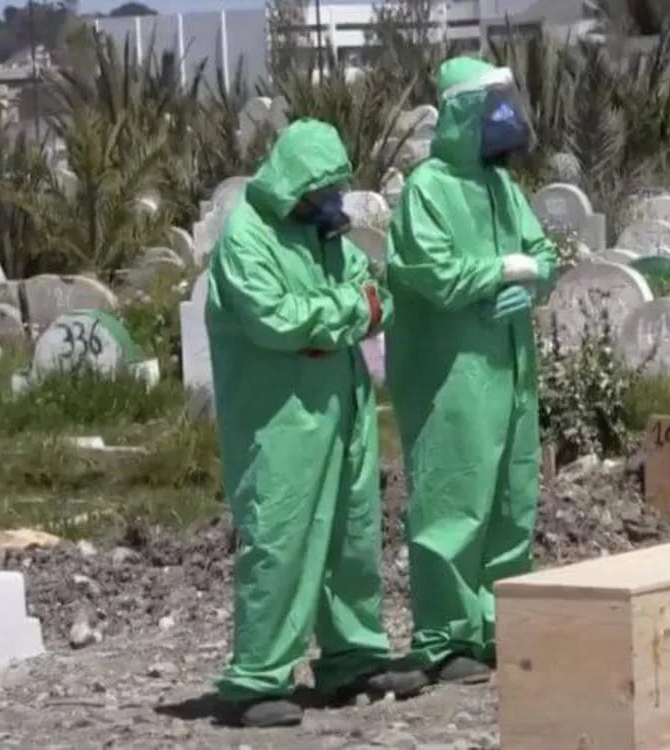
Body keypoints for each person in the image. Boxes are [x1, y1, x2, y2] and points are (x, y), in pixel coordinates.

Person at [205, 118, 428, 728]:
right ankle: (256, 678)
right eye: (321, 189)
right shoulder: (247, 238)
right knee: (280, 538)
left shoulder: (325, 237)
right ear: (291, 183)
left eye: (336, 187)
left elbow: (374, 297)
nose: (331, 200)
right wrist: (347, 313)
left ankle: (353, 658)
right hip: (279, 420)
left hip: (343, 410)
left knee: (352, 537)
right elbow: (276, 320)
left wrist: (341, 315)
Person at [385, 57, 559, 685]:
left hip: (511, 369)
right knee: (453, 499)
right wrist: (505, 272)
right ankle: (445, 635)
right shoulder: (426, 190)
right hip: (450, 374)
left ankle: (498, 624)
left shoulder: (501, 186)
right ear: (462, 115)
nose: (504, 123)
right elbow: (434, 273)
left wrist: (534, 278)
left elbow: (542, 251)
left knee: (511, 499)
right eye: (493, 110)